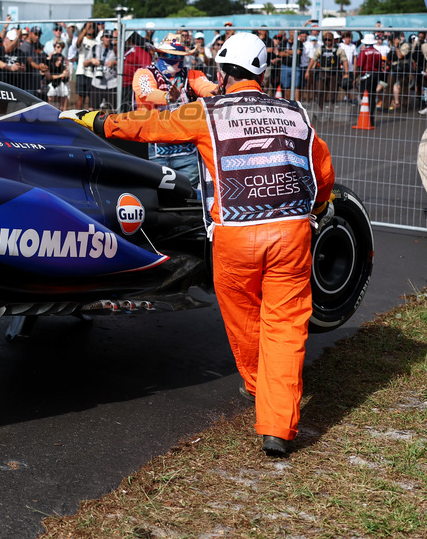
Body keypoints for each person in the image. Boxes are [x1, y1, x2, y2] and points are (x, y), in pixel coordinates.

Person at [64, 33, 335, 458]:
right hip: (293, 232)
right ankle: (278, 427)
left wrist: (94, 121)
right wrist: (318, 207)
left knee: (243, 315)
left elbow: (146, 125)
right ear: (263, 72)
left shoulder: (206, 111)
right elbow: (322, 168)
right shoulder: (295, 111)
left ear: (224, 72)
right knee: (286, 325)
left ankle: (254, 382)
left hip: (236, 235)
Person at [131, 32, 217, 189]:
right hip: (154, 151)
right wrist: (167, 97)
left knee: (188, 198)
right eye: (172, 55)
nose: (177, 60)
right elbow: (146, 92)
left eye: (180, 56)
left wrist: (217, 90)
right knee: (157, 198)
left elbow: (205, 86)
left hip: (187, 152)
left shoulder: (191, 75)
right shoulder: (144, 74)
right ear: (160, 54)